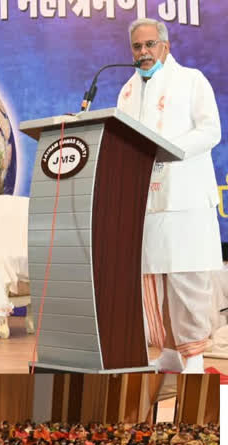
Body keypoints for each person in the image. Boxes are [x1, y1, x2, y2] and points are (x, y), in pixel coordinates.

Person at [116, 18, 222, 373]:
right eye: (137, 47)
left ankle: (193, 357)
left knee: (185, 278)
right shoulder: (127, 91)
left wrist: (167, 149)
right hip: (144, 202)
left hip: (184, 201)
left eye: (149, 45)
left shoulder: (191, 80)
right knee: (152, 278)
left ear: (165, 46)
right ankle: (168, 352)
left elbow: (211, 130)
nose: (143, 53)